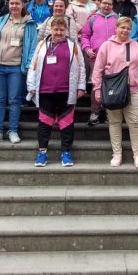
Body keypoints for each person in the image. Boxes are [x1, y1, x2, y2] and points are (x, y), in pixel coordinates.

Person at [26, 17, 86, 167]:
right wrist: (31, 85)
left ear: (66, 31)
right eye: (56, 29)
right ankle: (42, 153)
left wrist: (81, 87)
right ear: (51, 30)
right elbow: (33, 66)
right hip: (45, 91)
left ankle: (66, 153)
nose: (58, 32)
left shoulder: (73, 46)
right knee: (44, 124)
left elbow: (81, 68)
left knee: (67, 124)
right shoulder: (41, 45)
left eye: (61, 30)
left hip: (67, 91)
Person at [92, 17, 138, 169]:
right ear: (116, 28)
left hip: (132, 90)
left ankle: (137, 154)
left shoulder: (137, 47)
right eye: (122, 27)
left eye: (128, 28)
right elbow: (98, 69)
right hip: (112, 91)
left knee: (135, 123)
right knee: (114, 122)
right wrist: (97, 89)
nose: (125, 30)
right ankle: (116, 153)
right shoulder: (106, 46)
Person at [0, 0, 38, 144]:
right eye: (12, 3)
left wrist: (28, 65)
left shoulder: (29, 23)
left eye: (17, 4)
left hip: (16, 68)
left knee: (14, 100)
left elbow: (33, 46)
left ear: (22, 5)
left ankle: (13, 130)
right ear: (9, 5)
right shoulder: (1, 21)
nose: (14, 6)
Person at [81, 0, 118, 125]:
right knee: (97, 84)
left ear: (112, 6)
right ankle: (95, 112)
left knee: (111, 84)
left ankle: (109, 112)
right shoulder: (92, 18)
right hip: (95, 56)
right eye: (104, 3)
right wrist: (87, 48)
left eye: (109, 4)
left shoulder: (117, 19)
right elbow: (85, 35)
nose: (107, 6)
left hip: (113, 57)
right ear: (99, 4)